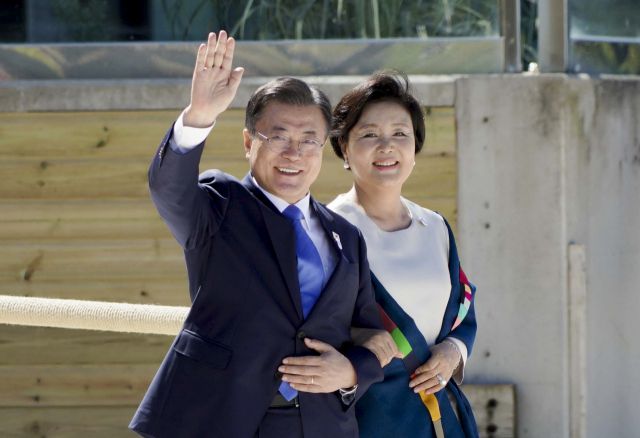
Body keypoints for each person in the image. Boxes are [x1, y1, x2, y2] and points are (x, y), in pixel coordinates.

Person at [129, 31, 384, 438]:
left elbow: (369, 331)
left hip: (320, 425)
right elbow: (169, 189)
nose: (293, 154)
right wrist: (199, 115)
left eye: (309, 141)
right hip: (221, 419)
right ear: (249, 142)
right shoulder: (221, 205)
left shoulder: (346, 236)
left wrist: (352, 370)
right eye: (278, 137)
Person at [327, 72, 479, 437]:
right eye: (369, 135)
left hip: (438, 419)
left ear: (415, 147)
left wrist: (454, 351)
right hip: (367, 418)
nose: (387, 146)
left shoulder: (435, 227)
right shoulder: (328, 230)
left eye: (400, 133)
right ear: (344, 147)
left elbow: (463, 309)